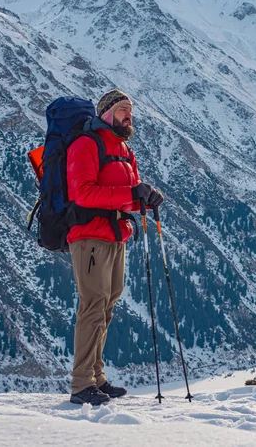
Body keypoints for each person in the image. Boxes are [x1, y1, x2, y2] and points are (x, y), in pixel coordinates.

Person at [66, 89, 163, 405]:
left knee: (105, 308)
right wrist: (131, 193)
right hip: (89, 236)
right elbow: (83, 194)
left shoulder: (124, 151)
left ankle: (97, 377)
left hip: (115, 235)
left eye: (131, 111)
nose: (128, 116)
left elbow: (127, 196)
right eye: (123, 109)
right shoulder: (86, 145)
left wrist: (144, 198)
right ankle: (81, 384)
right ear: (105, 112)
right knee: (93, 305)